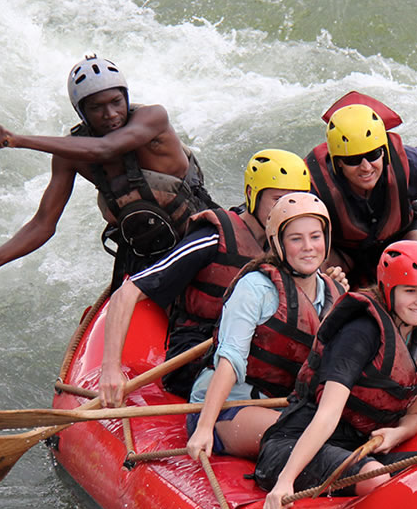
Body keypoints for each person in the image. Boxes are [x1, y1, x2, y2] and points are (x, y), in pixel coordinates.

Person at [0, 55, 216, 293]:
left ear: (126, 97)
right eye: (96, 108)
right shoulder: (70, 153)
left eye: (116, 102)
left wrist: (17, 140)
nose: (111, 114)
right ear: (81, 111)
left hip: (200, 237)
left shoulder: (153, 119)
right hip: (145, 252)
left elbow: (106, 148)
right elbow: (43, 224)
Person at [98, 149, 326, 404]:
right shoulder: (213, 237)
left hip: (257, 352)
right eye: (278, 200)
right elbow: (127, 292)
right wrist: (110, 369)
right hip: (199, 358)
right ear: (252, 195)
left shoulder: (290, 245)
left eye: (295, 201)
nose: (286, 210)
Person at [255, 240, 417, 509]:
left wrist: (396, 434)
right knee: (374, 476)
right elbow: (327, 414)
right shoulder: (360, 332)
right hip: (295, 445)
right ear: (389, 288)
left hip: (361, 446)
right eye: (411, 291)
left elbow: (413, 417)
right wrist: (285, 482)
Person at [185, 193, 344, 459]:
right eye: (296, 239)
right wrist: (204, 427)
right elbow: (231, 359)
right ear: (278, 244)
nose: (308, 247)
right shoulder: (255, 288)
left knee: (337, 431)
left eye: (315, 237)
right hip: (227, 407)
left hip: (282, 405)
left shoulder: (333, 292)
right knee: (305, 438)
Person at [305, 92, 417, 286]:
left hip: (402, 234)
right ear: (338, 163)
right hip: (344, 249)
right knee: (312, 268)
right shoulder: (313, 183)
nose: (366, 167)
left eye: (373, 155)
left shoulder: (409, 161)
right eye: (352, 160)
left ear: (384, 152)